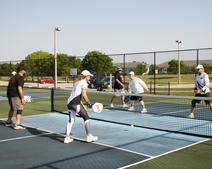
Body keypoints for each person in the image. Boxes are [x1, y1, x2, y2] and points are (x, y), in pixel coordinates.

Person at [64, 70, 98, 143]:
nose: (90, 77)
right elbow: (83, 94)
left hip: (69, 103)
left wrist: (82, 105)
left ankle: (67, 138)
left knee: (71, 120)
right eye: (89, 76)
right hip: (75, 103)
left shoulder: (77, 82)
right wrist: (90, 103)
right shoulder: (84, 82)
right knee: (86, 117)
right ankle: (89, 136)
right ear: (86, 76)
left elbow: (77, 95)